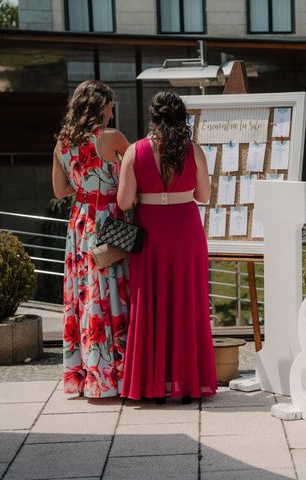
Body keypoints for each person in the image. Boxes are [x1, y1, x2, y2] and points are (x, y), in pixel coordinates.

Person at [118, 90, 217, 403]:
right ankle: (189, 385)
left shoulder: (136, 150)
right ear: (181, 117)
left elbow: (124, 201)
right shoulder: (193, 151)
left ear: (153, 116)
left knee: (149, 303)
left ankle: (153, 386)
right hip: (186, 229)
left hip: (151, 230)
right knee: (188, 304)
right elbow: (203, 196)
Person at [52, 80, 130, 398]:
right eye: (111, 105)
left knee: (85, 296)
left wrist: (85, 189)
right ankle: (117, 377)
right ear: (101, 105)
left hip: (80, 224)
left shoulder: (62, 143)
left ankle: (89, 376)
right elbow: (141, 172)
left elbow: (59, 191)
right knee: (112, 291)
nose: (112, 112)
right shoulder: (112, 138)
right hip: (108, 220)